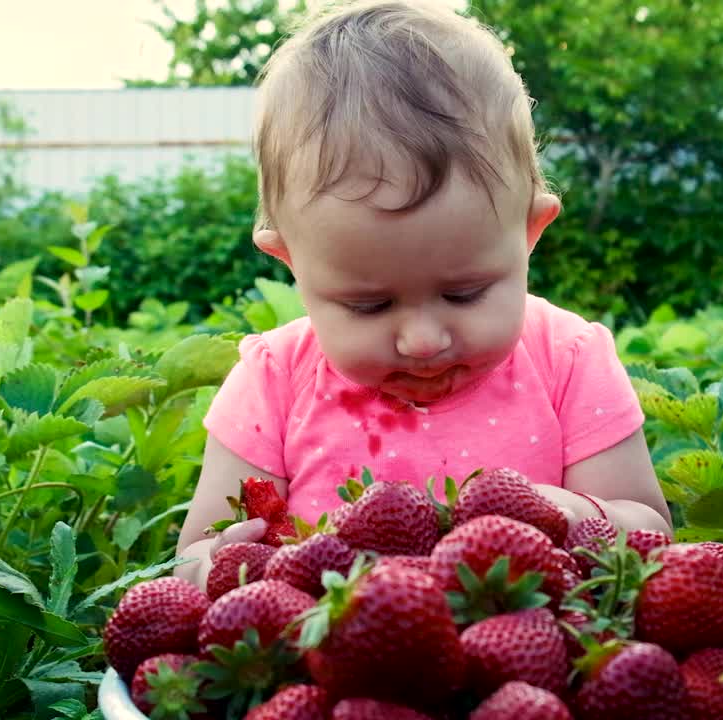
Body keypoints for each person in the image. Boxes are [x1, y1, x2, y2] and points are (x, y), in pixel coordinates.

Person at [175, 0, 670, 589]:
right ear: (292, 264)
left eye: (465, 293)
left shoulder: (568, 361)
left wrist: (578, 517)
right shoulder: (275, 384)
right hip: (334, 665)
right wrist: (222, 564)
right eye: (369, 305)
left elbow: (650, 533)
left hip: (530, 661)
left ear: (529, 234)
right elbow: (192, 561)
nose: (423, 340)